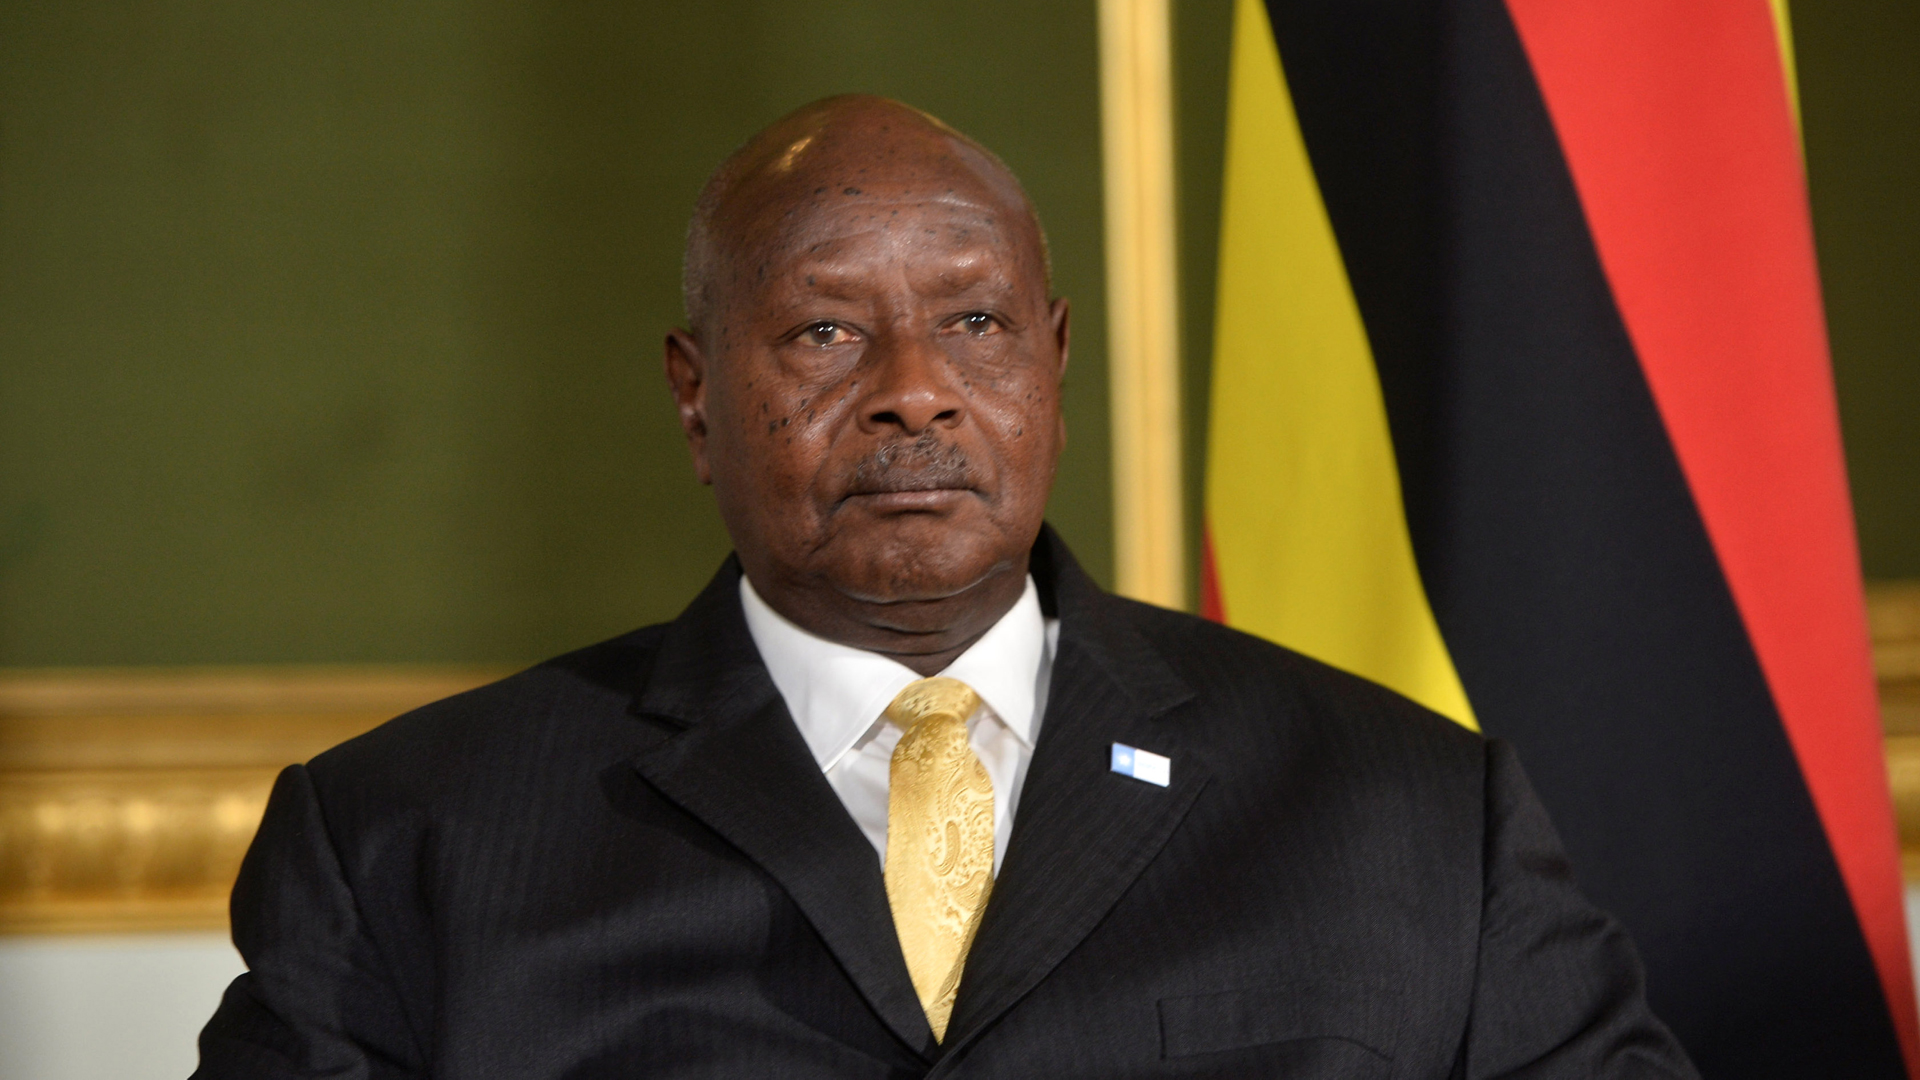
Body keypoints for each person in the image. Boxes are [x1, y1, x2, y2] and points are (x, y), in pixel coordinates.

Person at [193, 95, 1697, 1079]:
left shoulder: (1416, 819)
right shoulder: (407, 847)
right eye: (827, 336)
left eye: (974, 323)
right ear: (696, 398)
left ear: (1053, 364)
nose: (916, 394)